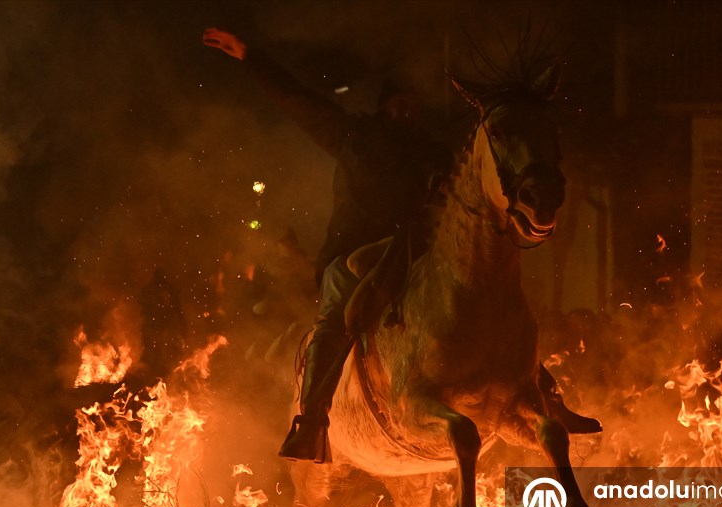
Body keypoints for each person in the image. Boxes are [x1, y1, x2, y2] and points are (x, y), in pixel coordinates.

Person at [203, 28, 600, 464]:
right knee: (335, 316)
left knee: (493, 308)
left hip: (416, 254)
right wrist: (250, 56)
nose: (408, 107)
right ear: (386, 103)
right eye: (401, 99)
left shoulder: (431, 153)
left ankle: (549, 401)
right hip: (355, 253)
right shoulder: (354, 137)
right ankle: (312, 419)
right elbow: (299, 101)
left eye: (414, 101)